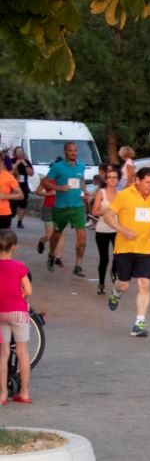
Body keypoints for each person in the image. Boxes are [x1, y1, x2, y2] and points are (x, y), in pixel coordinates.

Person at [103, 167, 150, 337]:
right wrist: (123, 230)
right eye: (147, 182)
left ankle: (139, 323)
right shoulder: (124, 195)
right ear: (138, 180)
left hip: (147, 249)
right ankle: (116, 293)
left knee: (144, 284)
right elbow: (108, 216)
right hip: (125, 248)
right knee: (124, 284)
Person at [44, 142, 88, 276]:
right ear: (65, 152)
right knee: (56, 235)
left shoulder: (81, 166)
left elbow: (81, 180)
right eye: (70, 151)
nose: (73, 153)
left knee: (82, 237)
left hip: (77, 207)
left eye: (75, 150)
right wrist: (58, 188)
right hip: (61, 207)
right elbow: (45, 182)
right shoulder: (58, 167)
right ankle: (51, 255)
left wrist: (85, 191)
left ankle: (78, 265)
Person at [0, 230, 33, 404]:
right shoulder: (19, 266)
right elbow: (28, 291)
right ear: (14, 247)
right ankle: (24, 393)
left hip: (1, 313)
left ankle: (3, 394)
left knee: (3, 353)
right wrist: (19, 295)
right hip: (19, 312)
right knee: (22, 352)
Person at [92, 166, 120, 295]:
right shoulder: (101, 192)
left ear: (118, 180)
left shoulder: (121, 195)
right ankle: (101, 283)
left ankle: (114, 272)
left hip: (117, 230)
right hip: (102, 229)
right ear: (106, 180)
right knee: (104, 259)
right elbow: (94, 212)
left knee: (118, 256)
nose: (112, 180)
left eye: (115, 177)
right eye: (110, 178)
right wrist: (106, 212)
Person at [34, 174, 65, 265]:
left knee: (60, 233)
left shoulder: (65, 178)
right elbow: (38, 191)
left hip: (61, 209)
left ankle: (58, 257)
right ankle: (42, 241)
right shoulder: (47, 179)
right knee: (49, 235)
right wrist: (49, 193)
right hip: (49, 208)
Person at [11, 147, 33, 229]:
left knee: (23, 203)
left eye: (21, 151)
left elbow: (31, 173)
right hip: (13, 185)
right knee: (12, 203)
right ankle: (10, 216)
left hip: (24, 185)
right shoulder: (12, 160)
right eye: (18, 151)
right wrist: (17, 163)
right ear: (15, 153)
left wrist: (25, 164)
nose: (20, 153)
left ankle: (20, 221)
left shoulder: (26, 161)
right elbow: (10, 171)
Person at [0, 158, 24, 230]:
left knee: (4, 236)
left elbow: (21, 195)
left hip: (3, 213)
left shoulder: (8, 177)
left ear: (2, 163)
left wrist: (6, 196)